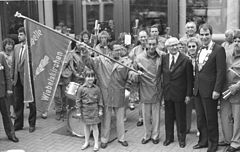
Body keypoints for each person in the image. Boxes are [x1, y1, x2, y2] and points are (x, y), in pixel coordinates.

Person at [81, 43, 130, 149]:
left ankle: (121, 138)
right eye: (116, 50)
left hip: (118, 93)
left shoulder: (125, 61)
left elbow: (129, 75)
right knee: (106, 119)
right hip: (105, 95)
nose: (118, 52)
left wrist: (135, 74)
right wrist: (85, 52)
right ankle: (104, 139)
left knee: (120, 118)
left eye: (120, 50)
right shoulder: (101, 60)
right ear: (110, 51)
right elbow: (88, 62)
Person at [193, 23, 226, 152]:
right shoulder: (199, 49)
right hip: (198, 90)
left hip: (211, 91)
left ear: (211, 35)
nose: (204, 37)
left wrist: (217, 90)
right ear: (199, 35)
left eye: (207, 34)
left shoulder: (218, 50)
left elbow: (221, 72)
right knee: (200, 118)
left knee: (211, 119)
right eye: (202, 34)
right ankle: (203, 141)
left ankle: (213, 144)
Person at [130, 36, 163, 145]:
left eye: (154, 44)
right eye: (150, 44)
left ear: (157, 44)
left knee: (156, 116)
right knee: (146, 116)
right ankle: (147, 135)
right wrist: (136, 75)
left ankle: (155, 135)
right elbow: (132, 73)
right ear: (146, 44)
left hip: (157, 89)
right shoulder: (139, 58)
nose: (152, 46)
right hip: (144, 89)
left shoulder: (162, 56)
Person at [162, 37, 193, 148]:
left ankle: (181, 139)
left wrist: (188, 94)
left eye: (176, 45)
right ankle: (169, 138)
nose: (174, 47)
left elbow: (190, 80)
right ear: (167, 47)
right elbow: (163, 76)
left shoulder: (186, 60)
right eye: (171, 46)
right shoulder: (164, 58)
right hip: (168, 93)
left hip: (180, 93)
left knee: (181, 118)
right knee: (168, 117)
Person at [11, 27, 37, 133]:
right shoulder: (16, 47)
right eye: (18, 34)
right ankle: (18, 124)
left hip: (28, 80)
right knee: (18, 103)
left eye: (21, 34)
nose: (19, 36)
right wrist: (12, 77)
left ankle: (32, 124)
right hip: (17, 79)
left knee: (31, 103)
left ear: (26, 36)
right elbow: (13, 63)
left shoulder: (31, 48)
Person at [219, 31, 240, 152]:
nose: (237, 43)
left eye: (239, 41)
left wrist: (237, 86)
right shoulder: (226, 53)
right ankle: (228, 139)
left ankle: (236, 143)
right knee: (224, 116)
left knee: (237, 119)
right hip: (224, 92)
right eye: (235, 41)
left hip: (237, 93)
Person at [76, 69, 103, 151]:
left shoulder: (97, 88)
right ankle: (86, 142)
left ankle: (95, 143)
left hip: (94, 109)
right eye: (88, 76)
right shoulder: (81, 88)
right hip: (85, 110)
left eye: (92, 76)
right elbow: (78, 100)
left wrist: (100, 110)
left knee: (95, 126)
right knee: (86, 126)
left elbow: (100, 100)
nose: (90, 78)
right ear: (85, 77)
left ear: (94, 78)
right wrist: (78, 111)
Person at [128, 30, 148, 127]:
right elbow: (130, 62)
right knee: (140, 99)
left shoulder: (151, 48)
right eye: (141, 37)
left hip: (149, 77)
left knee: (149, 99)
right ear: (139, 39)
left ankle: (149, 118)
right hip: (139, 77)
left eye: (145, 37)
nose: (143, 39)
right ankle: (141, 117)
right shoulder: (135, 50)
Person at [0, 52, 19, 143]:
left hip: (2, 92)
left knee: (7, 114)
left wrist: (9, 88)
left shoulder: (1, 57)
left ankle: (11, 134)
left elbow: (7, 73)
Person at [186, 37, 200, 134]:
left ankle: (200, 129)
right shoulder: (184, 58)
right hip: (188, 87)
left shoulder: (201, 57)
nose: (191, 48)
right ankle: (186, 128)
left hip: (199, 86)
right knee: (187, 109)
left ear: (197, 47)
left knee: (199, 109)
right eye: (189, 46)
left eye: (193, 46)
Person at [1, 38, 15, 119]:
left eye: (11, 44)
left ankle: (14, 112)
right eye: (8, 44)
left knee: (14, 96)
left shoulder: (14, 54)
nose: (9, 46)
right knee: (7, 97)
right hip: (5, 79)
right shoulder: (1, 54)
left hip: (12, 78)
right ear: (4, 45)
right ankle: (8, 112)